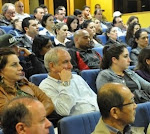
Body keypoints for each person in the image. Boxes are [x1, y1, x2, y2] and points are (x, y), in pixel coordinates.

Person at [39, 47, 99, 116]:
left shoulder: (77, 78)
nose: (71, 66)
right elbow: (63, 111)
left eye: (70, 61)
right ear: (52, 66)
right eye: (65, 62)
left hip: (99, 116)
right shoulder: (45, 86)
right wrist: (65, 84)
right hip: (82, 122)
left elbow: (94, 98)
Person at [0, 48, 54, 116]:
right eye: (14, 65)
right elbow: (12, 116)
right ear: (1, 71)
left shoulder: (25, 83)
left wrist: (36, 117)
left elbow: (49, 103)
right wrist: (36, 118)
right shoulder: (1, 92)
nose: (20, 67)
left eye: (19, 63)